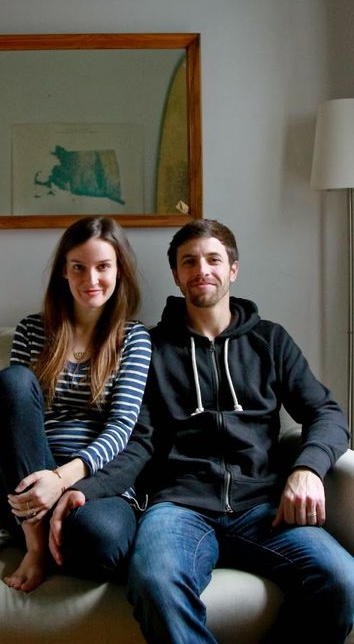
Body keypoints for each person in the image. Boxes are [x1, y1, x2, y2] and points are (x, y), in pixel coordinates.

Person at [125, 218, 354, 644]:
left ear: (233, 269)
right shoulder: (150, 348)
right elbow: (136, 436)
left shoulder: (270, 341)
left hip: (263, 507)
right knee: (155, 581)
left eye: (213, 259)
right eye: (188, 262)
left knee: (344, 580)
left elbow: (326, 411)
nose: (201, 270)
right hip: (179, 506)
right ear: (176, 275)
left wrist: (307, 469)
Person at [0, 216, 152, 593]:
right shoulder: (33, 330)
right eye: (79, 267)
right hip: (29, 482)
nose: (91, 280)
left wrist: (60, 480)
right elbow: (12, 420)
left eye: (103, 267)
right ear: (64, 270)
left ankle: (53, 537)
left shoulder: (134, 338)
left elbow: (122, 427)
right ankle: (35, 546)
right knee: (12, 382)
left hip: (91, 485)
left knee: (103, 543)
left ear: (119, 271)